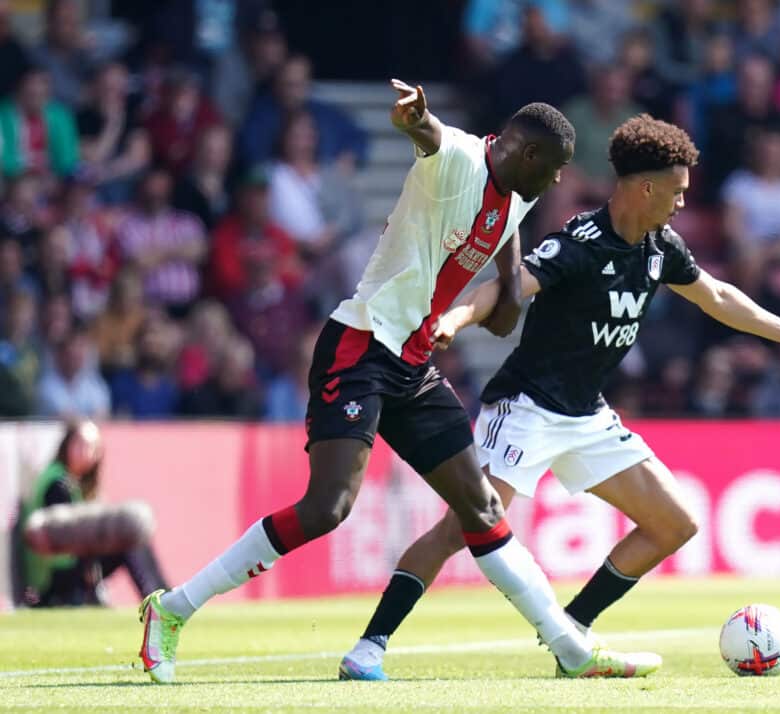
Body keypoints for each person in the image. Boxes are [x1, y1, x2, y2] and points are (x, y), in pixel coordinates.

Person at [139, 79, 658, 684]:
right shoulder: (459, 158)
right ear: (528, 155)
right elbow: (432, 140)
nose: (561, 182)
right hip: (360, 346)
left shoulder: (518, 188)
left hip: (412, 363)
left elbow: (507, 261)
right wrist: (415, 120)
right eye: (559, 169)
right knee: (328, 507)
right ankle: (170, 610)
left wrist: (510, 286)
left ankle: (569, 648)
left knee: (481, 506)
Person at [339, 114, 780, 680]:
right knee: (462, 528)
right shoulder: (580, 242)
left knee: (673, 525)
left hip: (587, 414)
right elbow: (509, 285)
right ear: (644, 187)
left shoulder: (660, 246)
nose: (680, 204)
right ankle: (370, 645)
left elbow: (717, 296)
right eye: (675, 191)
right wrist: (455, 318)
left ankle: (571, 633)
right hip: (525, 408)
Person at [18, 420, 167, 606]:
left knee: (135, 535)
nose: (86, 452)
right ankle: (158, 601)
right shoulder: (58, 484)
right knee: (129, 538)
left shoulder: (72, 482)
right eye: (80, 444)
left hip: (71, 566)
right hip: (58, 574)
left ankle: (161, 593)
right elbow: (61, 540)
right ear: (67, 444)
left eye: (92, 447)